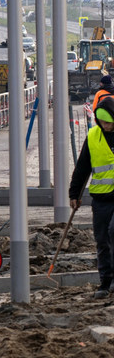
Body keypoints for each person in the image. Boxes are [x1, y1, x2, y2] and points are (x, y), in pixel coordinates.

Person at [69, 97, 114, 298]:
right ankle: (106, 282)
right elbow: (83, 167)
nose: (107, 126)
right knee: (102, 240)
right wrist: (74, 193)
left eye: (109, 122)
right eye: (103, 122)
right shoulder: (94, 135)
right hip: (101, 199)